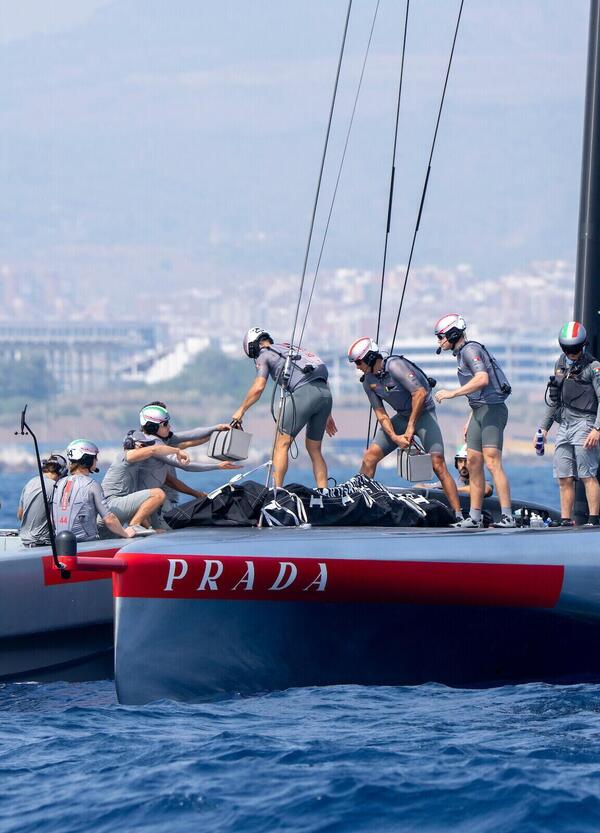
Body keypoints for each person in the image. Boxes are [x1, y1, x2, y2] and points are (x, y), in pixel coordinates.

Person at [347, 336, 462, 520]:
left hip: (424, 414)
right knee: (369, 457)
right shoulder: (368, 382)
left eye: (359, 362)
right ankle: (361, 507)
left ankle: (459, 515)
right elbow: (381, 414)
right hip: (402, 417)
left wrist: (410, 429)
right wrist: (394, 437)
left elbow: (420, 393)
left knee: (438, 463)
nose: (357, 367)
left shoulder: (394, 366)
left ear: (369, 358)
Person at [434, 313, 514, 528]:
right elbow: (478, 392)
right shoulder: (461, 354)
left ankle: (508, 516)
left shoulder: (470, 350)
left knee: (492, 462)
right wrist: (471, 418)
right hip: (479, 411)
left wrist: (452, 393)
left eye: (441, 336)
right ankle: (475, 517)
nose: (439, 341)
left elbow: (482, 379)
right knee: (473, 463)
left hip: (492, 410)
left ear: (452, 334)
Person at [232, 328, 337, 488]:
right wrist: (327, 413)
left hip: (304, 393)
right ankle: (324, 492)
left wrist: (241, 410)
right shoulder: (289, 347)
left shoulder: (264, 354)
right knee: (314, 449)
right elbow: (320, 373)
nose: (255, 359)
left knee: (280, 445)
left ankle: (277, 492)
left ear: (254, 346)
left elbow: (259, 387)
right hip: (325, 395)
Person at [135, 404, 241, 527]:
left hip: (154, 500)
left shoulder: (161, 440)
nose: (169, 426)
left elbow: (191, 434)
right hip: (148, 502)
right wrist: (218, 466)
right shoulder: (153, 446)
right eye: (165, 424)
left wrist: (216, 427)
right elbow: (185, 466)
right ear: (152, 427)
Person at [538, 321, 600, 527]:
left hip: (585, 422)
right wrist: (544, 428)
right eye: (567, 349)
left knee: (587, 474)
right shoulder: (561, 364)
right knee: (563, 475)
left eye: (574, 349)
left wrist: (597, 429)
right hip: (564, 423)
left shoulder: (593, 367)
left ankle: (593, 520)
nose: (571, 353)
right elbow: (554, 399)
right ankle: (566, 519)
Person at [101, 430, 192, 532]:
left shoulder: (135, 468)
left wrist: (151, 529)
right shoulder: (125, 455)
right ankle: (135, 525)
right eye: (143, 445)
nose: (145, 448)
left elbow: (137, 507)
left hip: (114, 510)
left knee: (147, 498)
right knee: (158, 494)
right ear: (131, 444)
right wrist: (177, 451)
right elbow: (153, 450)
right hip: (111, 506)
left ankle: (137, 526)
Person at [53, 439, 136, 542]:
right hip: (86, 544)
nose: (96, 461)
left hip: (60, 542)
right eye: (95, 457)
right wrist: (125, 533)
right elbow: (109, 519)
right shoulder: (92, 485)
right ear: (87, 460)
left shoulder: (59, 483)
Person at [17, 452, 68, 547]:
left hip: (24, 542)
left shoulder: (30, 483)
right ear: (62, 472)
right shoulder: (55, 487)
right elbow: (60, 520)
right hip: (43, 544)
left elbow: (20, 515)